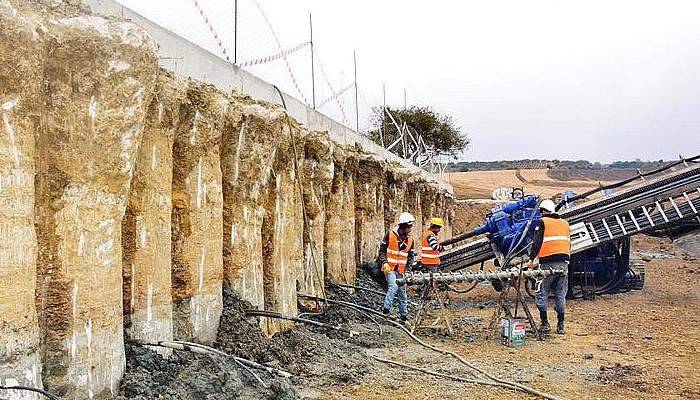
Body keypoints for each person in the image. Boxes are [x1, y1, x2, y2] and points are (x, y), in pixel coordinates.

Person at [529, 199, 571, 335]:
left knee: (542, 291)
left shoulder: (543, 222)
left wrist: (531, 259)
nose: (541, 214)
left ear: (544, 211)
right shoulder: (565, 223)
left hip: (547, 264)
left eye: (541, 211)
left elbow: (537, 243)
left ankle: (545, 323)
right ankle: (561, 325)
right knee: (560, 294)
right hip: (564, 264)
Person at [377, 212, 416, 324]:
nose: (410, 229)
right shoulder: (390, 235)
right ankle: (385, 310)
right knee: (393, 286)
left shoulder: (410, 239)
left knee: (402, 293)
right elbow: (382, 251)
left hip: (401, 270)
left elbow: (410, 257)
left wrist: (408, 270)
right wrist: (384, 263)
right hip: (389, 267)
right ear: (403, 226)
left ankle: (404, 316)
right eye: (409, 226)